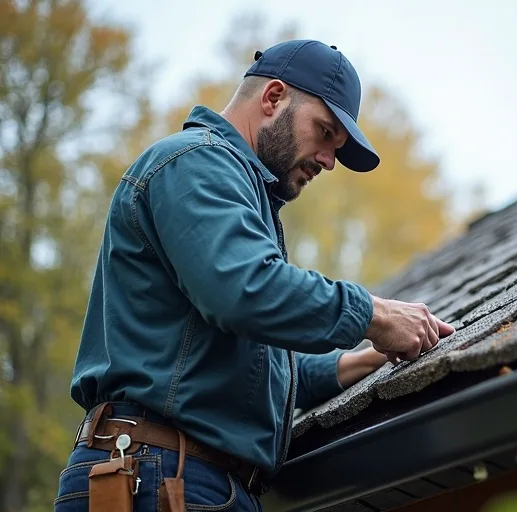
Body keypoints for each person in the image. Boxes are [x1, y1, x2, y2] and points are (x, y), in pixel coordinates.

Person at [54, 39, 455, 512]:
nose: (328, 160)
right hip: (160, 476)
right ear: (273, 98)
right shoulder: (197, 163)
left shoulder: (236, 189)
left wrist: (363, 361)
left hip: (177, 475)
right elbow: (244, 291)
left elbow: (255, 372)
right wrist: (374, 312)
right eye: (324, 133)